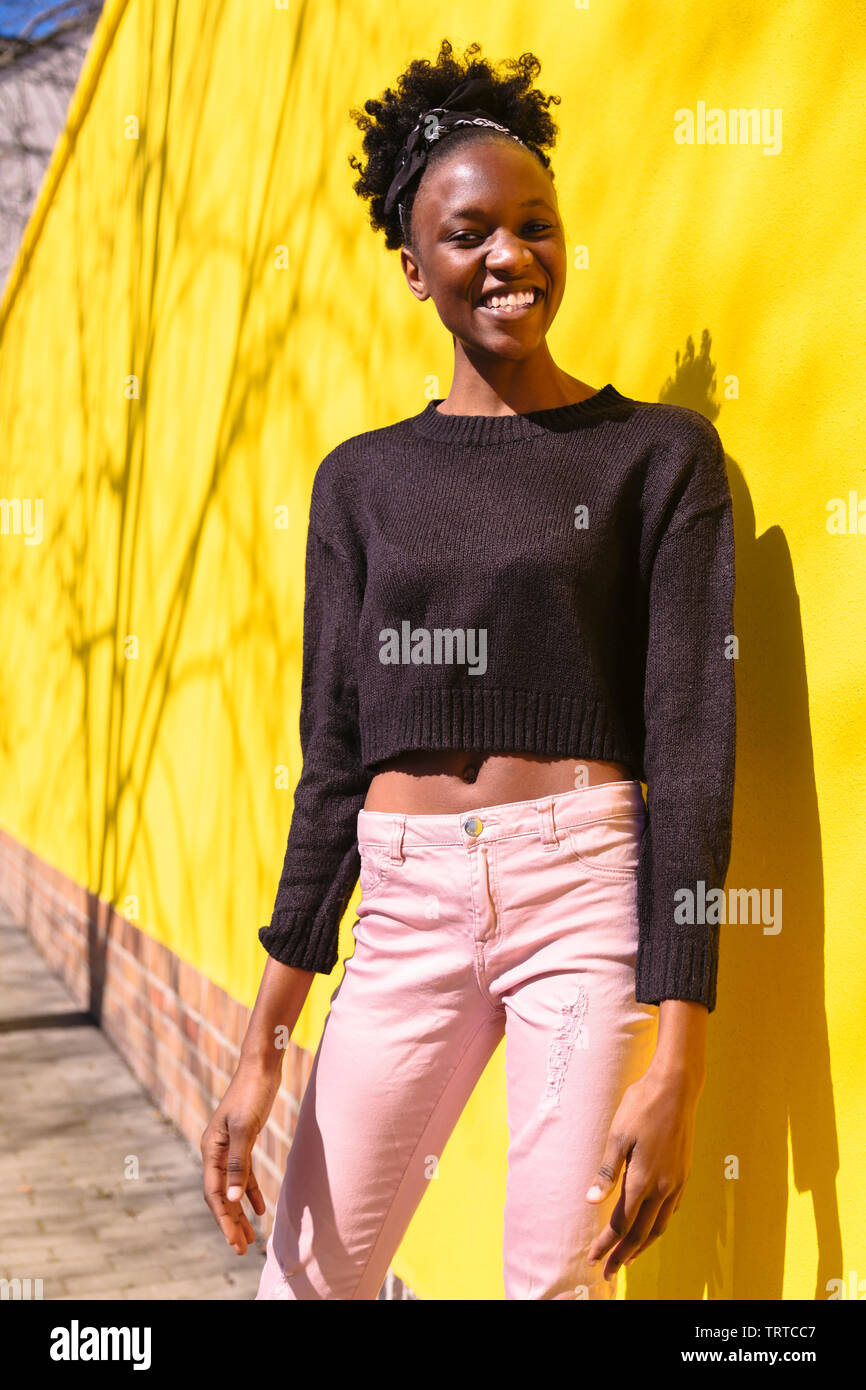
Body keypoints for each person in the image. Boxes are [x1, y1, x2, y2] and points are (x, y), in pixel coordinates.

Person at [200, 37, 736, 1301]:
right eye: (469, 233)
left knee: (554, 1285)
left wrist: (679, 1063)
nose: (509, 256)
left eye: (535, 225)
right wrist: (263, 1039)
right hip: (403, 904)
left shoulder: (656, 461)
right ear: (414, 267)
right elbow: (333, 758)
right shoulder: (361, 482)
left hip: (581, 894)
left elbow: (691, 751)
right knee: (305, 1282)